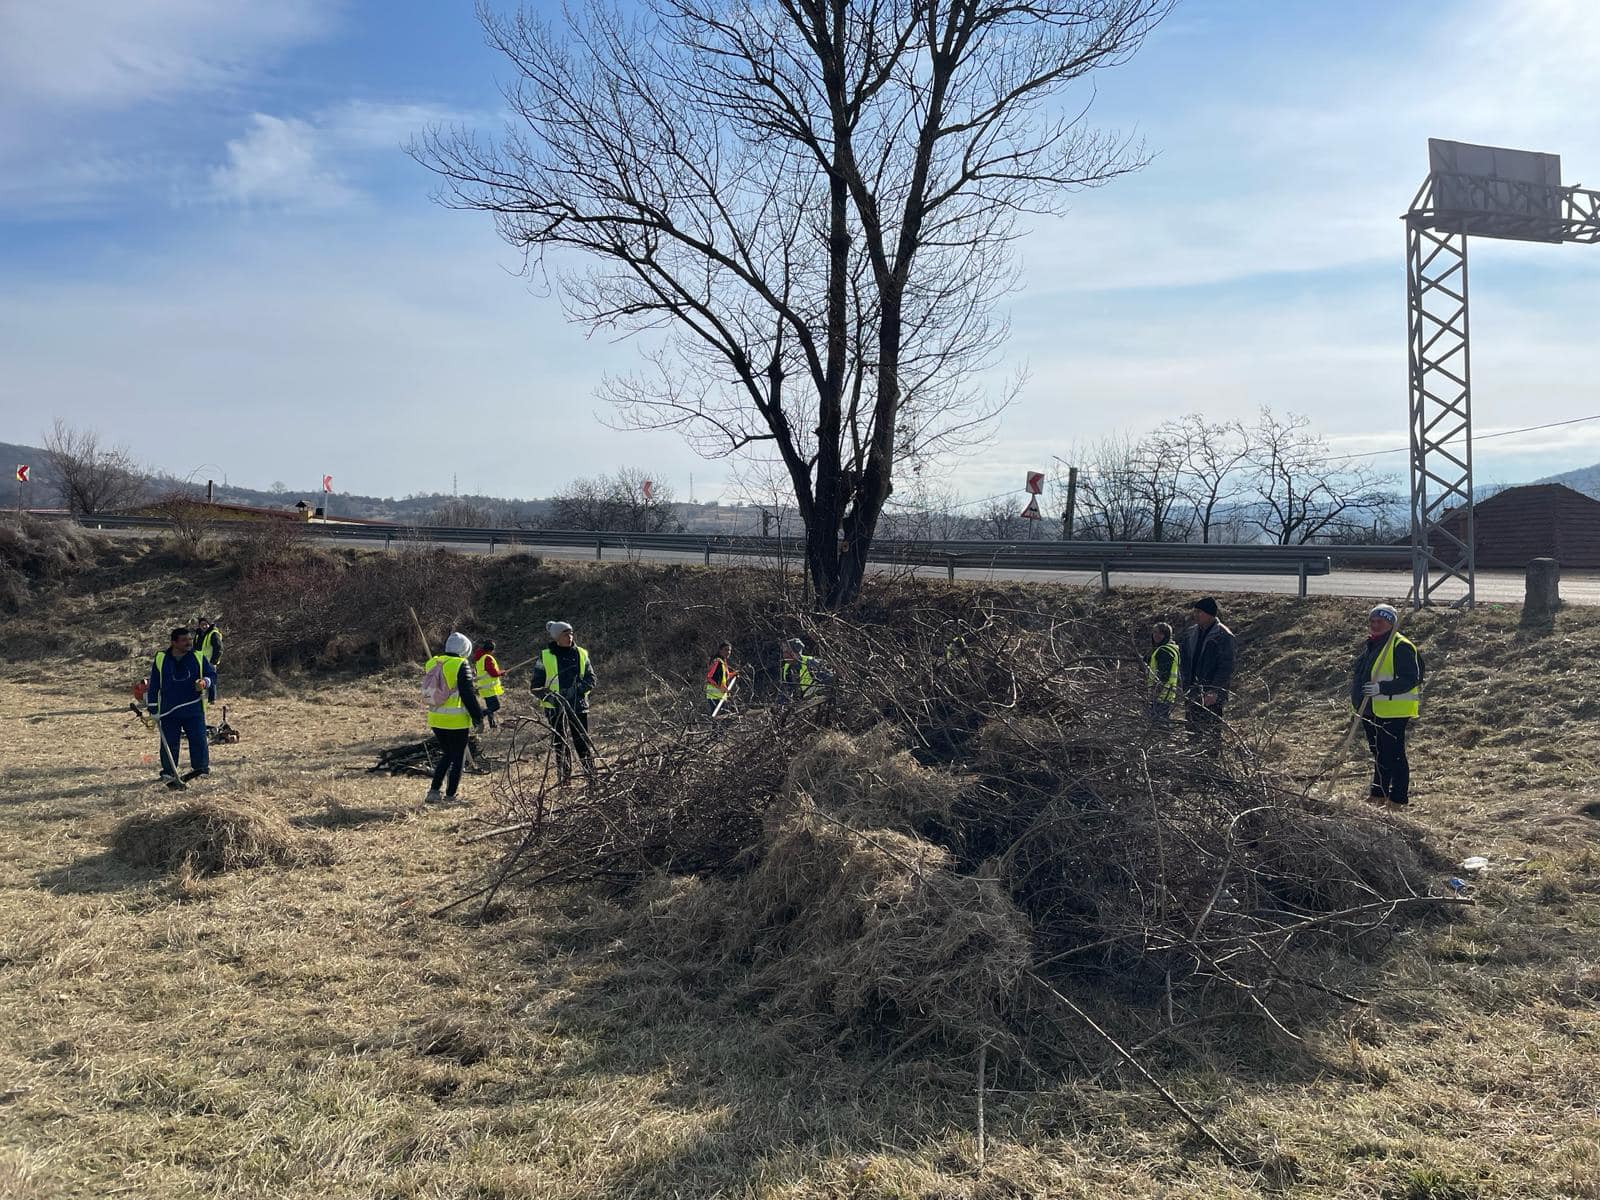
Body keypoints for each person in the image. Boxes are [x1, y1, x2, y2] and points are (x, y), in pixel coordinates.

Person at [1350, 603, 1421, 808]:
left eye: (1379, 621)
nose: (1375, 625)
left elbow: (1411, 679)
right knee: (1378, 752)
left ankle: (1398, 798)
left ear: (1391, 623)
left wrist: (1383, 688)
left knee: (1394, 754)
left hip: (1393, 709)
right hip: (1370, 708)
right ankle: (1378, 793)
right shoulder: (1372, 644)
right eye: (1372, 621)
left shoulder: (1401, 646)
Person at [146, 626, 217, 787]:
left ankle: (201, 769)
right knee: (169, 743)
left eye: (190, 639)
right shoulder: (161, 658)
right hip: (168, 711)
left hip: (193, 710)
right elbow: (154, 685)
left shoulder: (198, 657)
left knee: (198, 740)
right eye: (184, 640)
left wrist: (205, 682)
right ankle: (169, 772)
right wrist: (153, 708)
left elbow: (212, 675)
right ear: (174, 642)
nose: (189, 643)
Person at [422, 631, 485, 805]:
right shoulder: (461, 664)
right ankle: (450, 796)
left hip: (435, 718)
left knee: (447, 754)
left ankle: (434, 791)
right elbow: (468, 695)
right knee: (457, 758)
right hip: (455, 720)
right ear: (465, 648)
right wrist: (478, 718)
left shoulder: (433, 662)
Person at [530, 620, 596, 781]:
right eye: (566, 634)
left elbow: (591, 679)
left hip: (578, 706)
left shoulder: (581, 653)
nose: (570, 637)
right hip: (555, 708)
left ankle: (593, 778)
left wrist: (577, 690)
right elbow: (535, 686)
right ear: (557, 637)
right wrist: (554, 698)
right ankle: (564, 781)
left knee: (582, 742)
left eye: (571, 633)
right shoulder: (545, 656)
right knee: (560, 744)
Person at [1178, 597, 1235, 751]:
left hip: (1211, 693)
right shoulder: (1191, 633)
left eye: (1199, 612)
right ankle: (1194, 762)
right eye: (1195, 611)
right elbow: (1184, 661)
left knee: (1211, 732)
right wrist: (1184, 684)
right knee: (1192, 730)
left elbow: (1226, 667)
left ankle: (1211, 766)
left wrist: (1214, 690)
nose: (1195, 615)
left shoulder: (1223, 635)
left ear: (1210, 614)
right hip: (1192, 691)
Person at [778, 637, 833, 704]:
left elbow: (829, 679)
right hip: (803, 701)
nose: (785, 655)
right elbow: (786, 689)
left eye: (787, 651)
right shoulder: (787, 668)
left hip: (817, 698)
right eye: (784, 652)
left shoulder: (810, 662)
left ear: (796, 651)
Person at [1146, 621, 1179, 726]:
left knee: (1158, 726)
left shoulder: (1164, 651)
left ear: (1167, 635)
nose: (1156, 635)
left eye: (1161, 633)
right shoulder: (1170, 648)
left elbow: (1163, 676)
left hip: (1161, 695)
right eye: (1155, 632)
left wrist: (1155, 692)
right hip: (1167, 695)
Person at [472, 638, 506, 729]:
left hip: (484, 687)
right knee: (495, 706)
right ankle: (478, 716)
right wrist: (501, 673)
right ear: (491, 649)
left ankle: (492, 724)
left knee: (490, 707)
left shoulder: (479, 659)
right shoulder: (487, 658)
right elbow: (493, 673)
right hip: (489, 687)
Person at [705, 641, 737, 716]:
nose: (728, 652)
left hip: (721, 693)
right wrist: (720, 687)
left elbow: (725, 676)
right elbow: (710, 677)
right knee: (718, 716)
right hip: (714, 692)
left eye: (729, 650)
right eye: (726, 650)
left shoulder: (723, 662)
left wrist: (734, 674)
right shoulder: (717, 661)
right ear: (720, 650)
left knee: (723, 715)